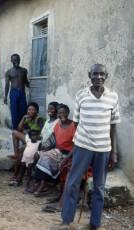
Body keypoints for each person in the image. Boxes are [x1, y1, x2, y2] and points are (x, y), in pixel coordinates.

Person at [59, 64, 120, 230]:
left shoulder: (113, 97)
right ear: (89, 75)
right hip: (83, 147)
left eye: (102, 74)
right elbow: (76, 122)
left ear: (106, 76)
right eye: (95, 74)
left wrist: (113, 152)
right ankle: (66, 221)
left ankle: (95, 224)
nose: (98, 77)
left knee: (99, 187)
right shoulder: (81, 95)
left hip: (103, 149)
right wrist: (84, 140)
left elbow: (113, 126)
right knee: (73, 183)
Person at [33, 104, 76, 196]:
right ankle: (40, 183)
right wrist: (45, 147)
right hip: (57, 150)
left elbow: (76, 145)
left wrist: (66, 157)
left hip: (68, 153)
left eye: (64, 112)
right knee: (37, 154)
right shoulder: (58, 125)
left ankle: (43, 185)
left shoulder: (73, 125)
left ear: (68, 113)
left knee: (46, 158)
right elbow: (52, 139)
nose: (62, 115)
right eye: (60, 113)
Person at [9, 102, 44, 185]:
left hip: (35, 140)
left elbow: (43, 133)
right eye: (29, 110)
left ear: (36, 111)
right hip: (29, 138)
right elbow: (19, 128)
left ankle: (16, 176)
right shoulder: (28, 118)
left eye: (33, 110)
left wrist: (36, 138)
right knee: (14, 132)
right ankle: (16, 153)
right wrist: (23, 118)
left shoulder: (39, 119)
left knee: (22, 151)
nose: (30, 111)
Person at [4, 53, 29, 130]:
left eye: (18, 59)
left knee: (23, 110)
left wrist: (32, 85)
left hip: (22, 92)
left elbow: (26, 82)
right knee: (14, 111)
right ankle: (15, 129)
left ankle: (22, 128)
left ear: (20, 60)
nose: (16, 61)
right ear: (11, 61)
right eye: (14, 60)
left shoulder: (24, 71)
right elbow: (7, 85)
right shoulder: (9, 72)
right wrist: (5, 96)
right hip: (13, 92)